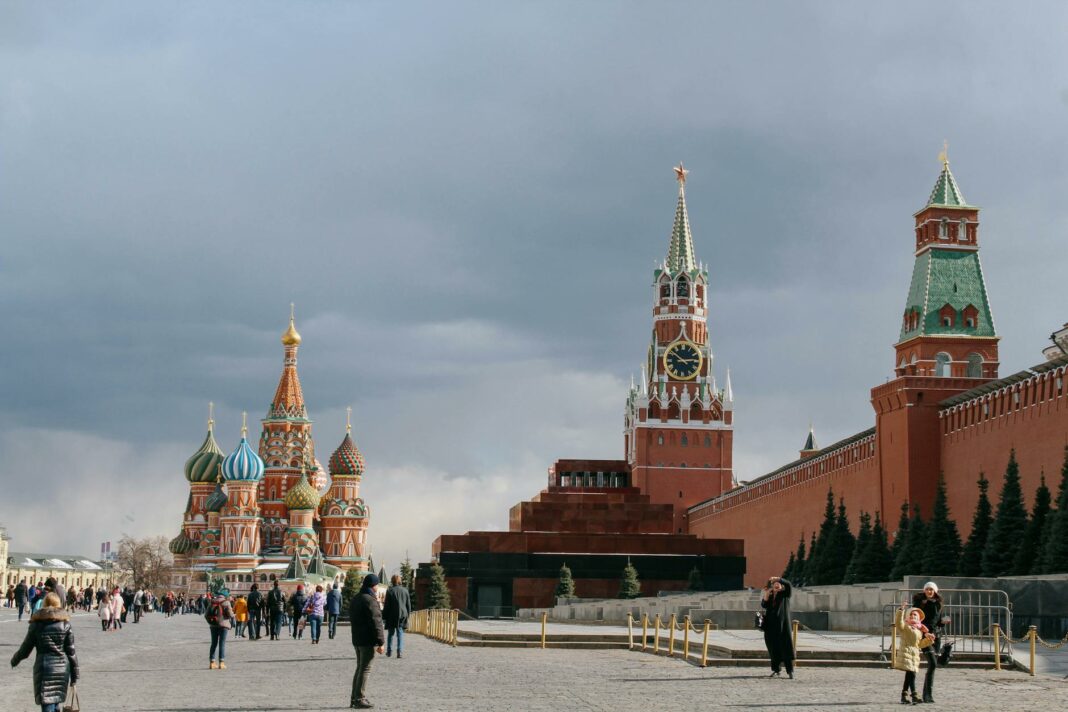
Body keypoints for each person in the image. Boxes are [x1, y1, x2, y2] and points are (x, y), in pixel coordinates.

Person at [11, 592, 79, 712]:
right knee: (55, 702)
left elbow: (25, 649)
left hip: (44, 669)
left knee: (47, 703)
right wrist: (74, 675)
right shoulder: (65, 624)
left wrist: (15, 659)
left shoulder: (36, 625)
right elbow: (71, 652)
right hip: (62, 669)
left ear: (44, 604)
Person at [349, 573, 385, 710]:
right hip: (367, 640)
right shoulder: (370, 600)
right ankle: (359, 698)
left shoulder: (357, 598)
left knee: (360, 668)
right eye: (377, 584)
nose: (377, 587)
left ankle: (354, 697)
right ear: (373, 585)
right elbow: (376, 622)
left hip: (357, 639)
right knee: (365, 669)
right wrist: (381, 641)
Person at [894, 603, 935, 705]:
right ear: (907, 617)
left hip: (914, 655)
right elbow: (898, 623)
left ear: (919, 618)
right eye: (911, 615)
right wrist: (901, 610)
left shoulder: (919, 630)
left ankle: (904, 695)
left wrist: (929, 640)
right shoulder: (905, 627)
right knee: (911, 674)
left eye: (915, 615)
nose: (913, 616)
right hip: (906, 653)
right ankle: (914, 695)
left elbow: (919, 644)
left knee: (909, 675)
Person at [912, 582, 945, 703]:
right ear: (924, 590)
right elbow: (914, 620)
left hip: (936, 636)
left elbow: (938, 621)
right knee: (933, 663)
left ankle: (927, 694)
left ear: (935, 591)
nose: (929, 591)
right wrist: (925, 631)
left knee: (933, 665)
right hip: (924, 636)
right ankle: (926, 695)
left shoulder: (938, 604)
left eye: (931, 589)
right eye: (927, 589)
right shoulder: (919, 603)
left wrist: (943, 622)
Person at [760, 576, 794, 679]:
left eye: (778, 583)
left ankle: (790, 671)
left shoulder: (785, 595)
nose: (776, 584)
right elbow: (764, 605)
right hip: (770, 627)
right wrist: (767, 593)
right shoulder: (770, 596)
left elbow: (789, 585)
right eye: (773, 583)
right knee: (772, 648)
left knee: (785, 648)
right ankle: (776, 669)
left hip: (783, 627)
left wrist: (778, 578)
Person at [383, 575, 411, 659]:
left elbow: (387, 605)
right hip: (402, 614)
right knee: (400, 633)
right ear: (399, 581)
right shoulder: (405, 590)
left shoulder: (390, 591)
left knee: (390, 634)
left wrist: (384, 615)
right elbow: (408, 605)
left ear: (392, 581)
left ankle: (389, 651)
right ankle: (399, 652)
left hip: (391, 615)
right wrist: (408, 615)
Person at [205, 593, 235, 670]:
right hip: (223, 625)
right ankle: (221, 663)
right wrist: (233, 615)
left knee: (213, 643)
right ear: (224, 595)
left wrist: (211, 622)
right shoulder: (226, 602)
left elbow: (206, 615)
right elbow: (231, 615)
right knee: (222, 644)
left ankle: (212, 663)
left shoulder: (212, 601)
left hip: (213, 625)